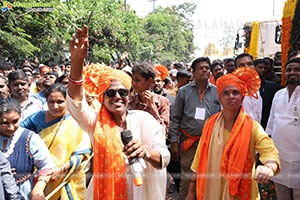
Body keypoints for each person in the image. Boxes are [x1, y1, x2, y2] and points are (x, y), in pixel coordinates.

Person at [67, 25, 170, 200]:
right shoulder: (95, 122)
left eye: (122, 92)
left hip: (141, 193)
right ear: (102, 97)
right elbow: (76, 103)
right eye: (110, 93)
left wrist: (145, 152)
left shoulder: (144, 119)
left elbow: (164, 157)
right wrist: (77, 62)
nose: (117, 97)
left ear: (130, 95)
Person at [186, 67, 280, 200]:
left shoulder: (252, 126)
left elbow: (269, 150)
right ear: (220, 98)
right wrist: (191, 190)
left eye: (235, 92)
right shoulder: (210, 124)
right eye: (226, 93)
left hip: (241, 191)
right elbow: (198, 159)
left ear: (242, 97)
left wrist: (269, 166)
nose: (231, 96)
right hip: (212, 190)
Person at [21, 84, 92, 200]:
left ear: (67, 102)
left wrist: (61, 170)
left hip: (67, 177)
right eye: (51, 102)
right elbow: (16, 133)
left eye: (60, 102)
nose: (55, 106)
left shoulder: (76, 121)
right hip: (42, 177)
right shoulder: (37, 118)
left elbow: (82, 153)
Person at [169, 57, 221, 200]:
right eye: (201, 68)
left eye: (207, 68)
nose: (205, 70)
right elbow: (175, 118)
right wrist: (174, 141)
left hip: (210, 143)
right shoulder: (183, 92)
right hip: (189, 143)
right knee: (187, 176)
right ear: (193, 72)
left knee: (209, 177)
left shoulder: (218, 92)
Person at [0, 98, 55, 200]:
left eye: (15, 121)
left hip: (23, 194)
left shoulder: (29, 138)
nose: (11, 127)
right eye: (4, 123)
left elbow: (47, 165)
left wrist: (38, 189)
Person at [266, 58, 300, 200]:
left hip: (298, 158)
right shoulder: (279, 94)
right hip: (280, 157)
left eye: (296, 69)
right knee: (282, 194)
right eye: (289, 70)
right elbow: (271, 125)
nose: (292, 72)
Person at [130, 62, 170, 132]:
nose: (133, 83)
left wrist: (153, 108)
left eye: (137, 80)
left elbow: (164, 131)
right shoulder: (130, 101)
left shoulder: (162, 102)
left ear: (149, 80)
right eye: (132, 80)